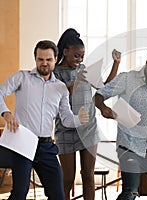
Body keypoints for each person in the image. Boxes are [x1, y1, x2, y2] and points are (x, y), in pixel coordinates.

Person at [0, 40, 89, 200]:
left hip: (46, 146)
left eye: (48, 59)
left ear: (55, 59)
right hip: (23, 145)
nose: (44, 63)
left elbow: (66, 119)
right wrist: (6, 113)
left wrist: (79, 119)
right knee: (20, 193)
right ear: (35, 59)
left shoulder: (61, 88)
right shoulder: (22, 77)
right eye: (40, 59)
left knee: (58, 195)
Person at [94, 50, 147, 200]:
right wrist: (103, 108)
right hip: (129, 145)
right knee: (130, 193)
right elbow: (99, 95)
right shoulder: (127, 78)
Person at [54, 28, 121, 200]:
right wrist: (76, 81)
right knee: (67, 179)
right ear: (65, 52)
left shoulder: (84, 69)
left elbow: (104, 86)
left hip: (88, 128)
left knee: (88, 176)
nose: (79, 60)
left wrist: (116, 63)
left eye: (82, 56)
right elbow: (59, 96)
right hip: (65, 130)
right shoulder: (55, 73)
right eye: (76, 55)